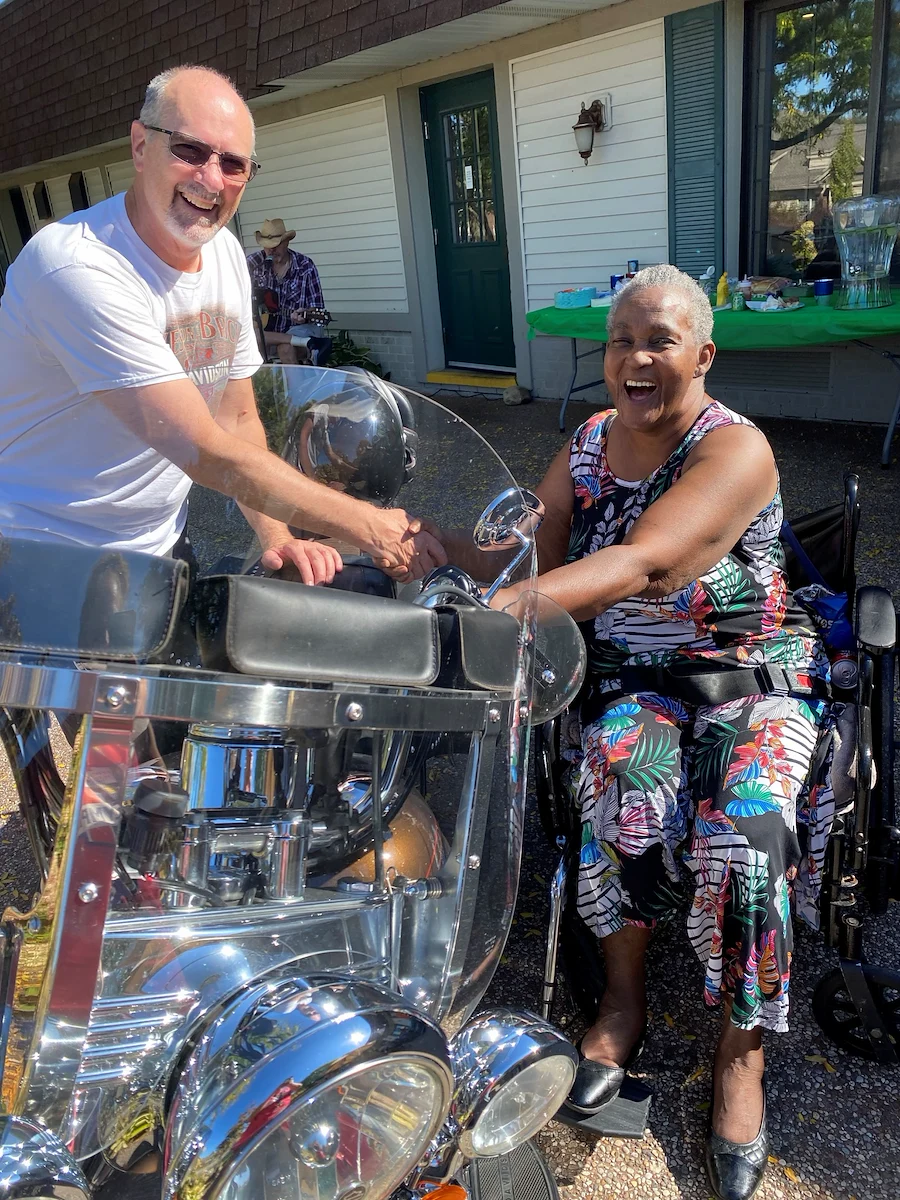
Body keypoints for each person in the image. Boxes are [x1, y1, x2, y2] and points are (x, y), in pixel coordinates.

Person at [484, 265, 832, 1200]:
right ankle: (622, 998)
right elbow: (536, 539)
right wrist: (436, 548)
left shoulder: (737, 448)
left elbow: (650, 561)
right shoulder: (591, 442)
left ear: (704, 355)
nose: (634, 359)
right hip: (635, 677)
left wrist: (500, 607)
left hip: (748, 678)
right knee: (624, 786)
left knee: (750, 832)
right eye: (618, 342)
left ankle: (740, 1055)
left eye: (659, 341)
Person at [0, 65, 443, 587]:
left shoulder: (225, 254)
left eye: (234, 164)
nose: (211, 179)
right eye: (189, 150)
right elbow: (204, 448)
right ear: (141, 147)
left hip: (159, 542)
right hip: (41, 554)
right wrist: (369, 525)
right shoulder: (76, 265)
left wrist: (277, 538)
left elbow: (236, 420)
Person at [246, 218, 327, 365]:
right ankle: (264, 385)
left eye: (275, 245)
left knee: (285, 348)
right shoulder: (252, 263)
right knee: (246, 338)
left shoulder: (305, 266)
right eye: (266, 246)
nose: (271, 250)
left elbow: (317, 309)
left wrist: (306, 314)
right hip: (263, 330)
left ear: (286, 242)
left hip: (297, 327)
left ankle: (296, 387)